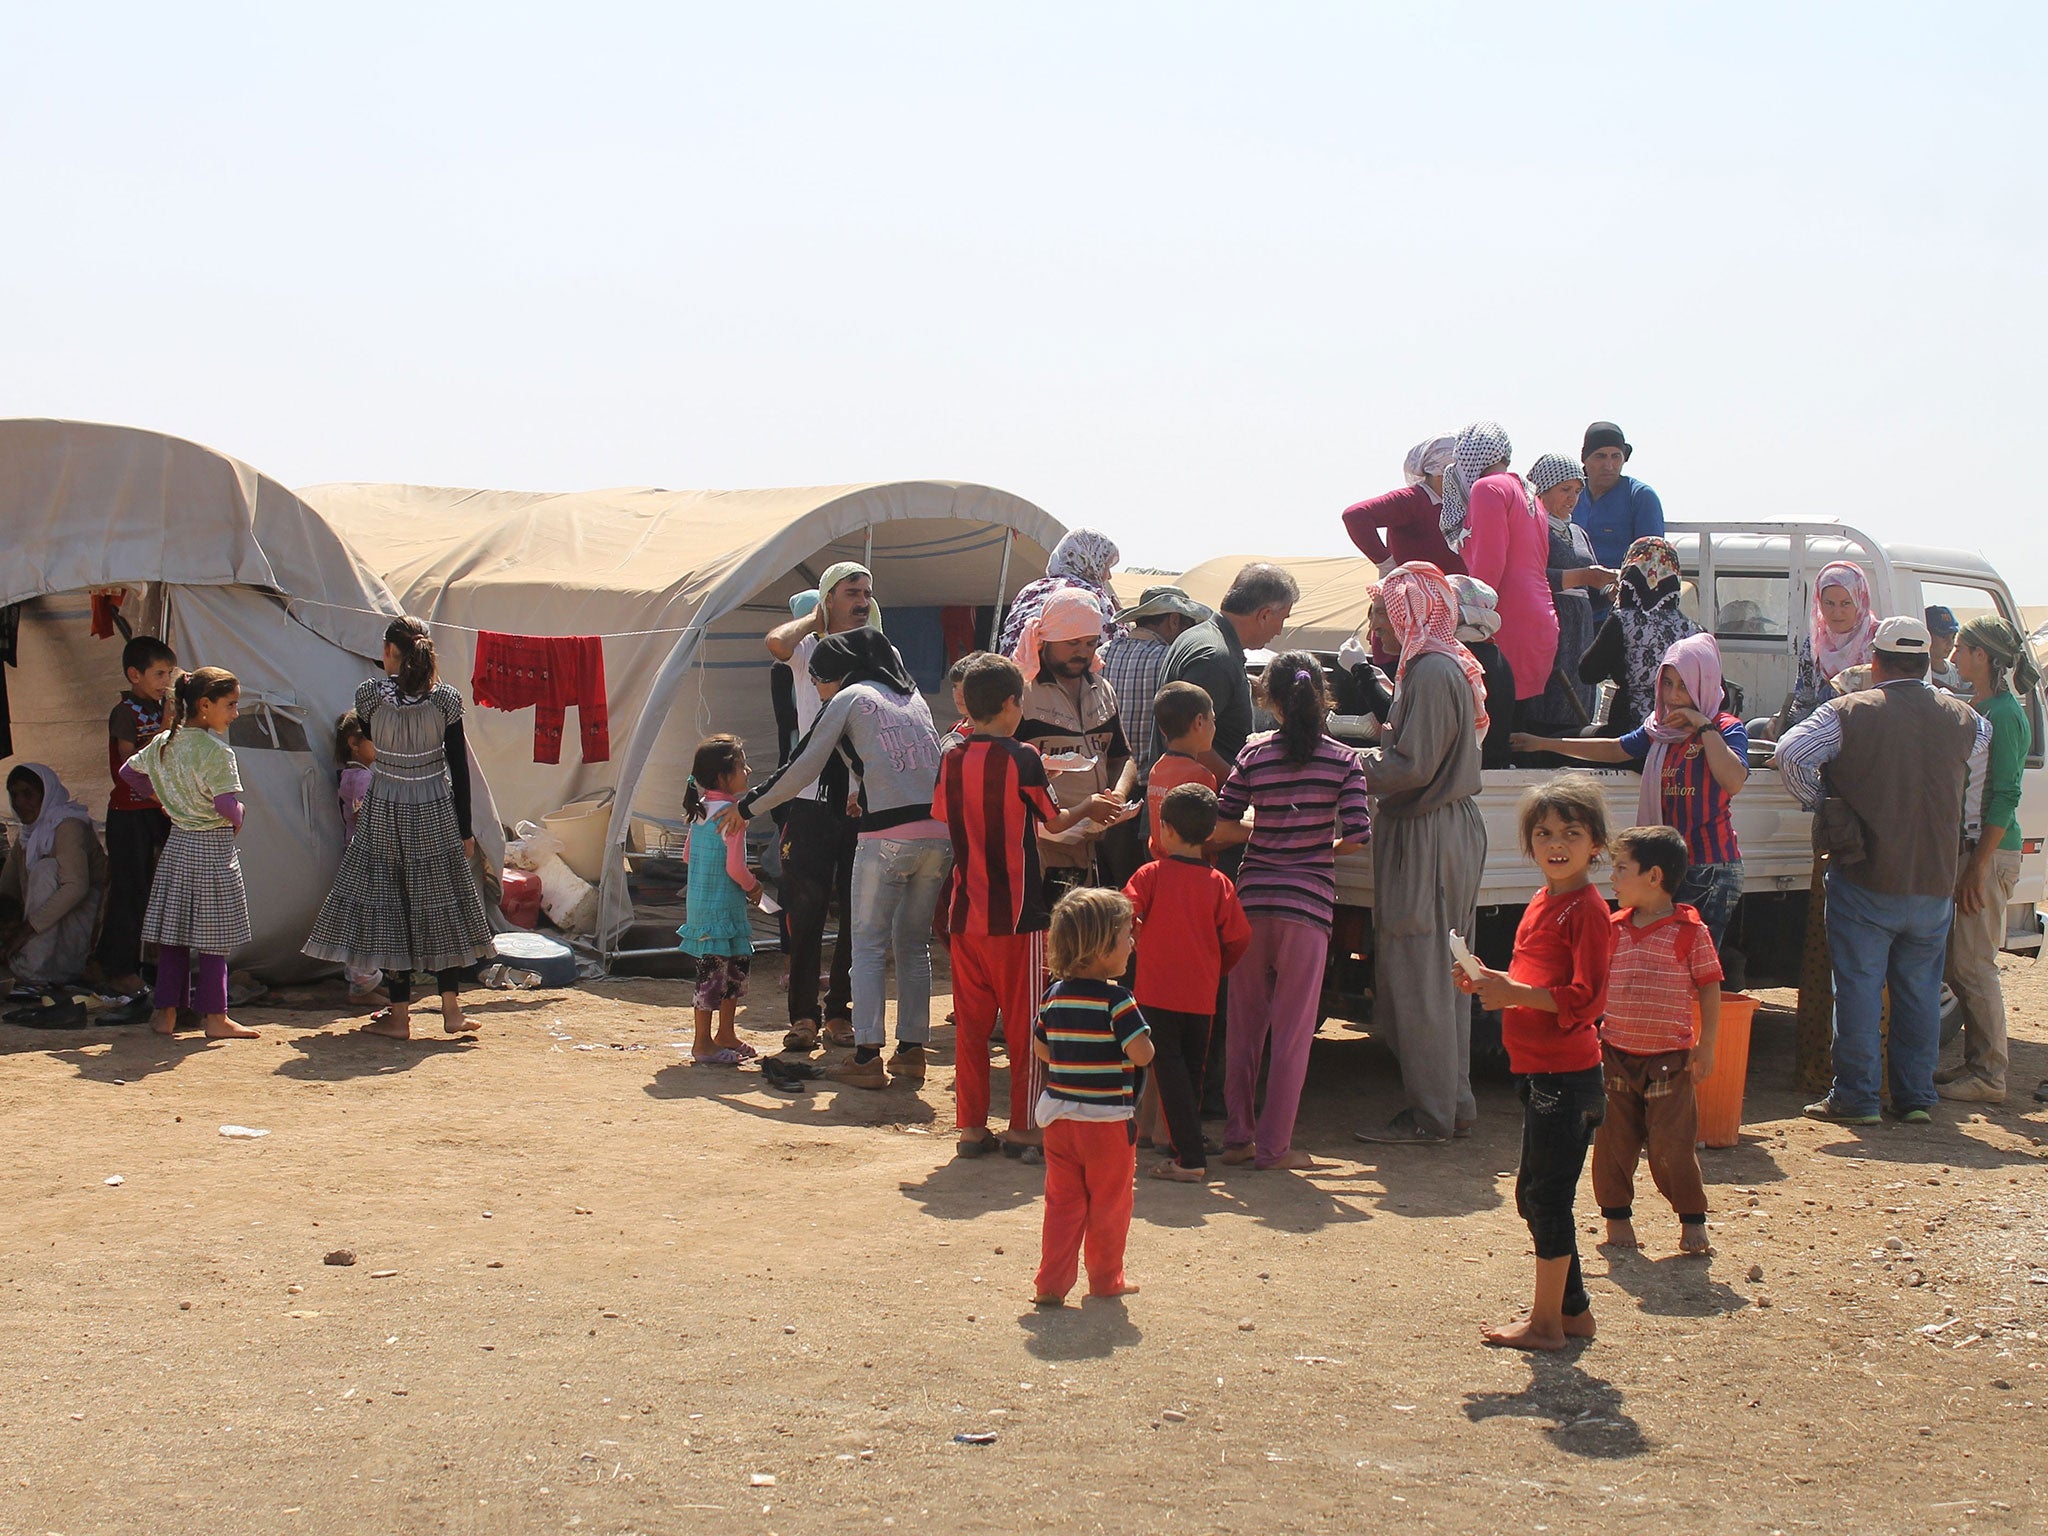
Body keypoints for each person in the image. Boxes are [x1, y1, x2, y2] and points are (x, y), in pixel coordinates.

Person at [1774, 616, 1989, 1125]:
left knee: (1858, 990)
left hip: (1865, 876)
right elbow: (1982, 741)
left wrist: (1825, 802)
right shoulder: (1965, 719)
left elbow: (1789, 754)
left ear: (1875, 661)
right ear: (1926, 663)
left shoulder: (1849, 711)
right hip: (1933, 880)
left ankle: (1857, 1097)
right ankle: (1915, 1098)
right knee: (1918, 994)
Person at [725, 629, 950, 1090]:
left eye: (818, 681)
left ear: (833, 674)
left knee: (866, 947)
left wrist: (747, 806)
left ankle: (867, 1055)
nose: (817, 690)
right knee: (911, 946)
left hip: (886, 835)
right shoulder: (911, 697)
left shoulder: (849, 697)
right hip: (938, 833)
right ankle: (910, 1053)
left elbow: (803, 764)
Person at [934, 655, 1123, 1160]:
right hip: (1018, 916)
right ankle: (1023, 1128)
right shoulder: (1023, 758)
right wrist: (1091, 806)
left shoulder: (951, 757)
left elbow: (943, 816)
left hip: (964, 913)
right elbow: (1055, 823)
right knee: (1025, 1029)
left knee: (971, 1031)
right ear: (1013, 704)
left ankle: (971, 1129)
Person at [1454, 774, 1613, 1350]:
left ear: (1595, 843)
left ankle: (1547, 1325)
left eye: (1572, 832)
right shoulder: (1545, 902)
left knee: (1547, 1197)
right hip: (1538, 1070)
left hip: (1567, 1076)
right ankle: (1572, 1312)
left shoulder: (1588, 911)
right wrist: (1488, 982)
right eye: (1545, 832)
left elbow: (1587, 1000)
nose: (1557, 843)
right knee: (1533, 1194)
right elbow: (1532, 980)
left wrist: (1513, 993)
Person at [1211, 652, 1371, 1170]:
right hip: (1308, 907)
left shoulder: (1253, 754)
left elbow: (1223, 820)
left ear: (1268, 698)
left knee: (1244, 1028)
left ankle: (1238, 1137)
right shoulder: (1344, 760)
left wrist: (1269, 833)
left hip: (1252, 901)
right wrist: (1314, 848)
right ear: (1323, 697)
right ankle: (1275, 1147)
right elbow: (1358, 835)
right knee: (1293, 1033)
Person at [303, 617, 495, 1039]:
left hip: (386, 807)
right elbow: (458, 769)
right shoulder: (445, 700)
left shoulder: (370, 695)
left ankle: (400, 1016)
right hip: (434, 808)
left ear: (390, 651)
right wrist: (465, 830)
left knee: (391, 908)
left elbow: (371, 738)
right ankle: (451, 1011)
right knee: (439, 904)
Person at [1351, 564, 1489, 1145]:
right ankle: (1450, 1106)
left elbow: (1412, 766)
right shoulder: (1440, 663)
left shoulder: (1431, 671)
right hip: (1442, 830)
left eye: (1382, 611)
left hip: (1427, 833)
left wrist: (1339, 765)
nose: (1374, 624)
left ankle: (1432, 1114)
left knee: (1422, 974)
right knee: (1445, 972)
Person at [1512, 633, 1749, 950]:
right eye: (1667, 684)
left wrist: (1703, 726)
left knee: (1691, 963)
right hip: (1667, 865)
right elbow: (1616, 749)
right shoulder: (1660, 728)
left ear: (1704, 683)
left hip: (1709, 868)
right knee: (1662, 960)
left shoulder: (1726, 727)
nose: (1673, 695)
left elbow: (1733, 780)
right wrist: (1544, 743)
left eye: (1683, 686)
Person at [1594, 825, 1723, 1257]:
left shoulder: (1690, 931)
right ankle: (1616, 1218)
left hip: (1669, 1058)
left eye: (1620, 868)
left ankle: (1691, 1219)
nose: (1612, 877)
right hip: (1614, 1053)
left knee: (1671, 1145)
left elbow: (1709, 986)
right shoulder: (1612, 928)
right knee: (1614, 1141)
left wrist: (1705, 1047)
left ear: (1653, 876)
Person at [762, 564, 876, 1051]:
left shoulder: (877, 652)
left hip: (861, 801)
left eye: (868, 593)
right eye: (852, 592)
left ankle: (838, 1013)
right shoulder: (808, 647)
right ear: (830, 597)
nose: (862, 601)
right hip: (809, 799)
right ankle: (803, 1016)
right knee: (804, 908)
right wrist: (815, 619)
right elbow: (776, 643)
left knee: (857, 913)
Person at [1030, 886, 1154, 1307]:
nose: (1131, 943)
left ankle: (1050, 1283)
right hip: (1108, 1125)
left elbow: (1041, 1050)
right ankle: (1105, 1280)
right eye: (1125, 936)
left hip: (1060, 1123)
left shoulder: (1053, 996)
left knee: (1062, 1205)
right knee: (1109, 1206)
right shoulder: (1119, 1000)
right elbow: (1142, 1054)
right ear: (1102, 947)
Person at [120, 668, 260, 1040]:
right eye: (230, 705)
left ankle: (165, 1014)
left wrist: (164, 800)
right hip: (212, 848)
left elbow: (128, 773)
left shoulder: (165, 742)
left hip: (179, 844)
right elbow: (227, 805)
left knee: (175, 934)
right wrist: (240, 819)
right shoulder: (217, 752)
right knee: (214, 938)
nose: (234, 713)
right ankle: (216, 1017)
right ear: (204, 705)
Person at [1122, 784, 1251, 1181]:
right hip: (1201, 995)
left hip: (1157, 991)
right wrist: (1217, 968)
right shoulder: (1220, 884)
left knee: (1167, 1071)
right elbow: (1238, 938)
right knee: (1190, 1075)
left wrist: (1137, 941)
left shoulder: (1151, 874)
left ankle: (1190, 1158)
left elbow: (1124, 911)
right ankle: (1183, 1150)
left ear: (1167, 830)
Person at [1935, 616, 2036, 1104]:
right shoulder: (1983, 706)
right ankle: (1978, 1065)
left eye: (1961, 650)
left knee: (1974, 965)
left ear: (1984, 656)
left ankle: (1991, 1075)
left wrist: (1978, 865)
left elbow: (2004, 796)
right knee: (1961, 965)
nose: (1953, 659)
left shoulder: (2006, 715)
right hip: (1974, 850)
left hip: (1988, 855)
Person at [1012, 590, 1137, 906]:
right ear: (1048, 639)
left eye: (1090, 643)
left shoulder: (1101, 688)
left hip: (1091, 844)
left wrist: (1118, 796)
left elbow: (1122, 756)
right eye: (1072, 643)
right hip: (1037, 847)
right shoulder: (1021, 691)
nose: (1082, 652)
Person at [1438, 421, 1558, 719]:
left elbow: (1486, 578)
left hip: (1505, 622)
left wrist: (1460, 623)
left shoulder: (1487, 488)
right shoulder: (1527, 491)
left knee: (1494, 733)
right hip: (1540, 620)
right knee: (1523, 727)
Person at [1156, 563, 1300, 773]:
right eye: (1282, 619)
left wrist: (1250, 684)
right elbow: (1192, 744)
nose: (1279, 631)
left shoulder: (1202, 638)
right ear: (1265, 615)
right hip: (1199, 800)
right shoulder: (1215, 658)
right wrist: (1242, 788)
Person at [94, 634, 177, 996]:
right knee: (130, 889)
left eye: (168, 674)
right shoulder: (125, 713)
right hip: (129, 811)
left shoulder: (165, 709)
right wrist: (164, 729)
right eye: (159, 674)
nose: (165, 682)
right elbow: (129, 763)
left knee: (161, 887)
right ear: (134, 675)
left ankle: (152, 964)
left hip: (159, 809)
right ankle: (118, 968)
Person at [679, 735, 766, 1066]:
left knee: (725, 971)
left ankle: (724, 1035)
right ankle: (703, 1043)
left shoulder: (700, 811)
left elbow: (688, 856)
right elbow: (735, 867)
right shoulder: (732, 815)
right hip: (724, 908)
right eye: (741, 764)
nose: (748, 769)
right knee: (721, 975)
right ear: (722, 776)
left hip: (705, 907)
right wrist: (754, 886)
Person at [1527, 453, 1613, 735]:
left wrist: (1608, 585)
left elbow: (1590, 581)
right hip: (1553, 621)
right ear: (1543, 489)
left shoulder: (1577, 531)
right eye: (1565, 490)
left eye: (1577, 491)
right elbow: (1530, 577)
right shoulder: (1531, 529)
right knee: (1552, 696)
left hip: (1582, 627)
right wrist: (1583, 576)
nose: (1572, 498)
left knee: (1580, 688)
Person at [0, 765, 107, 992]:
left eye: (28, 794)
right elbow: (7, 892)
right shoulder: (28, 836)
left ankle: (32, 969)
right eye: (15, 795)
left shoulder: (68, 825)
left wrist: (26, 930)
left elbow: (76, 888)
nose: (20, 803)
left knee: (47, 869)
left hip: (82, 933)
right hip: (45, 936)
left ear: (46, 794)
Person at [1576, 537, 1699, 735]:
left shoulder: (1623, 621)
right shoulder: (1693, 630)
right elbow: (1722, 695)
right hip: (1681, 736)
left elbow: (1588, 673)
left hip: (1631, 736)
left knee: (1555, 744)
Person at [1754, 561, 1875, 741]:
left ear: (1860, 600)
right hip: (1819, 730)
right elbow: (1804, 700)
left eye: (1845, 603)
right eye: (1829, 603)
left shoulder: (1876, 641)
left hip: (1863, 732)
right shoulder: (1814, 644)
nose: (1837, 612)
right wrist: (1779, 719)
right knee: (1755, 729)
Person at [1340, 434, 1467, 575]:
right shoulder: (1412, 499)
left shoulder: (1459, 504)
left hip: (1455, 594)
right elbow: (1355, 515)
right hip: (1417, 593)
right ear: (1441, 473)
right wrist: (1386, 564)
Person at [998, 529, 1122, 655]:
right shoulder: (1092, 596)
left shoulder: (1030, 590)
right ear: (1092, 563)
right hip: (1053, 673)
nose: (1109, 576)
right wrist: (1121, 620)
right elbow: (1116, 651)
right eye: (1105, 566)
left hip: (1013, 672)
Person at [333, 711, 385, 1006]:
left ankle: (365, 984)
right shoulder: (361, 777)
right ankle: (362, 985)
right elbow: (364, 814)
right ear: (355, 743)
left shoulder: (355, 774)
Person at [1571, 421, 1666, 570]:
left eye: (1615, 456)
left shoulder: (1640, 496)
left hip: (1620, 587)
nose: (1608, 465)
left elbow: (1652, 559)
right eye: (1600, 457)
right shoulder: (1570, 494)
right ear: (1585, 458)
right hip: (1571, 586)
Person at [1144, 682, 1218, 859]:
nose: (1214, 727)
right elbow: (1206, 837)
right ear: (1199, 722)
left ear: (1162, 730)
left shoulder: (1156, 769)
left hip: (1161, 867)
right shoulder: (1201, 776)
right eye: (1213, 720)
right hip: (1194, 873)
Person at [1925, 605, 1965, 694]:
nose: (1950, 643)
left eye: (1953, 636)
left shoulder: (1958, 672)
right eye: (1943, 636)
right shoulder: (1920, 674)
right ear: (1927, 635)